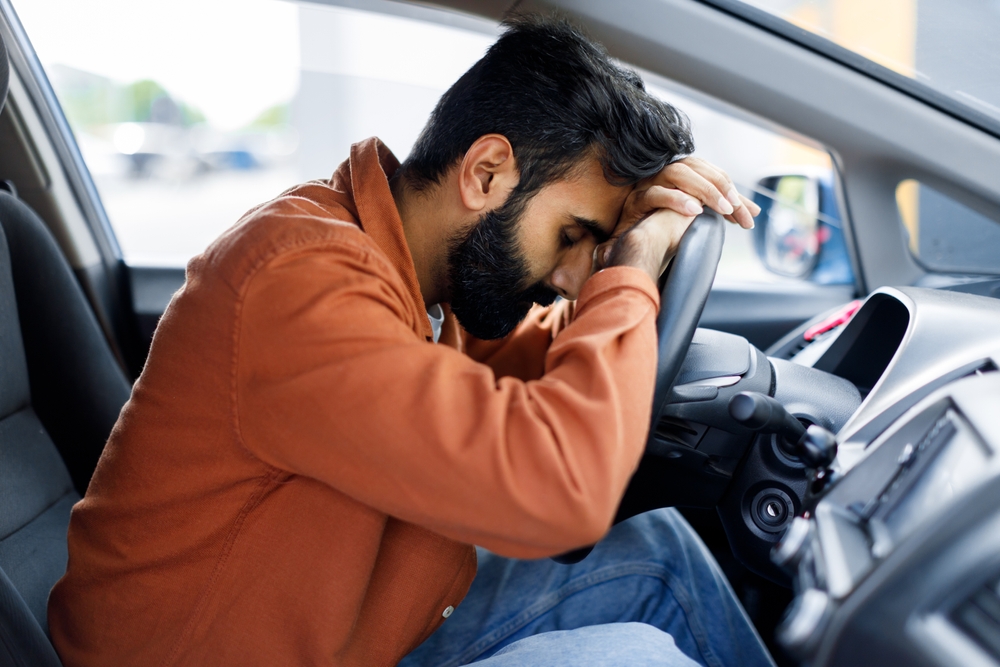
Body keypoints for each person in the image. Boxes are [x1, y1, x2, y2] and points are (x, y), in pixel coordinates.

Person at [48, 14, 773, 667]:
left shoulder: (423, 276)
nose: (570, 279)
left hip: (368, 628)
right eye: (572, 235)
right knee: (634, 658)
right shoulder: (298, 281)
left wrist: (627, 272)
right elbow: (563, 489)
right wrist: (632, 267)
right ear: (486, 174)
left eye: (596, 249)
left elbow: (541, 360)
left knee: (654, 550)